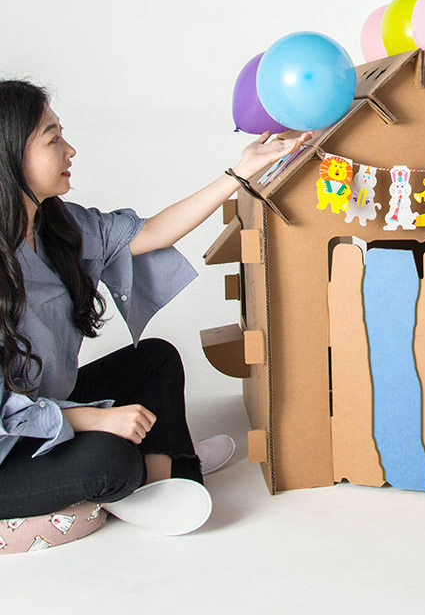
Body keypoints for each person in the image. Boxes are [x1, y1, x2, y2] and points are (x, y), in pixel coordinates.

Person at [0, 79, 311, 534]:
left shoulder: (57, 226)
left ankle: (171, 473)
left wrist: (239, 172)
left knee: (155, 358)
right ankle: (155, 475)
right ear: (10, 155)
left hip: (49, 406)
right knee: (111, 458)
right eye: (53, 139)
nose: (70, 150)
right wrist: (93, 419)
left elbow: (148, 233)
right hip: (10, 447)